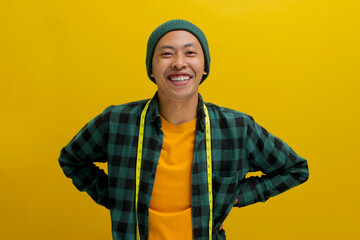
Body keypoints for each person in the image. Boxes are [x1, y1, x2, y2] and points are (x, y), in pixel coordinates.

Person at [58, 19, 309, 240]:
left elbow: (295, 169)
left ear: (204, 67)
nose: (179, 63)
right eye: (167, 54)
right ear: (151, 70)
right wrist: (118, 197)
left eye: (190, 53)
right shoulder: (117, 122)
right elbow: (72, 159)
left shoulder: (236, 128)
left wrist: (236, 196)